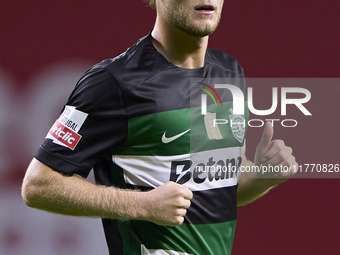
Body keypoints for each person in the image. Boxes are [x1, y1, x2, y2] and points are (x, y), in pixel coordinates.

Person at [21, 0, 297, 254]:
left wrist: (262, 177)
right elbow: (38, 185)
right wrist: (142, 205)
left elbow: (218, 192)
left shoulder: (229, 73)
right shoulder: (113, 83)